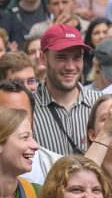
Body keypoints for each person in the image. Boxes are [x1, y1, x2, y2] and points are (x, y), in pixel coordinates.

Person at [32, 24, 102, 157]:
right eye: (61, 57)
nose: (70, 66)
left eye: (77, 58)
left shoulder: (101, 104)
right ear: (43, 58)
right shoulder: (28, 107)